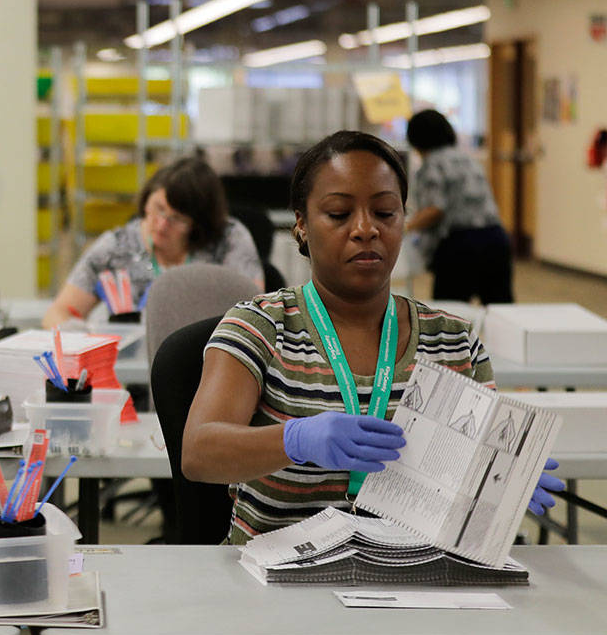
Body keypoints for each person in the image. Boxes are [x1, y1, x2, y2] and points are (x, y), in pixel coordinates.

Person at [181, 131, 562, 543]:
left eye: (384, 213)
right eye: (339, 214)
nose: (366, 229)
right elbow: (199, 453)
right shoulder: (262, 326)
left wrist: (500, 480)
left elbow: (473, 487)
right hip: (278, 581)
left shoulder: (454, 341)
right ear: (302, 225)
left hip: (415, 576)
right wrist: (295, 440)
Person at [42, 157, 263, 328]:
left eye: (177, 218)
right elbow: (58, 312)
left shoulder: (229, 239)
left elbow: (255, 315)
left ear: (199, 224)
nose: (161, 223)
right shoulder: (116, 247)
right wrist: (74, 332)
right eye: (158, 208)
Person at [405, 108, 515, 303]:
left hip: (460, 246)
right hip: (496, 239)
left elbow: (435, 210)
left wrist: (405, 227)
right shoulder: (468, 160)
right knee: (499, 310)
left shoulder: (431, 165)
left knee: (450, 314)